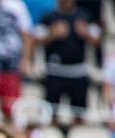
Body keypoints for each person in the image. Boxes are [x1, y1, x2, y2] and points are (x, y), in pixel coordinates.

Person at [37, 0, 101, 128]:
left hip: (78, 71)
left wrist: (86, 34)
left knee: (79, 113)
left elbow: (98, 41)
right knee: (51, 113)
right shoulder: (49, 17)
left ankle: (77, 137)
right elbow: (37, 40)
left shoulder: (85, 16)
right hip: (55, 70)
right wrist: (52, 34)